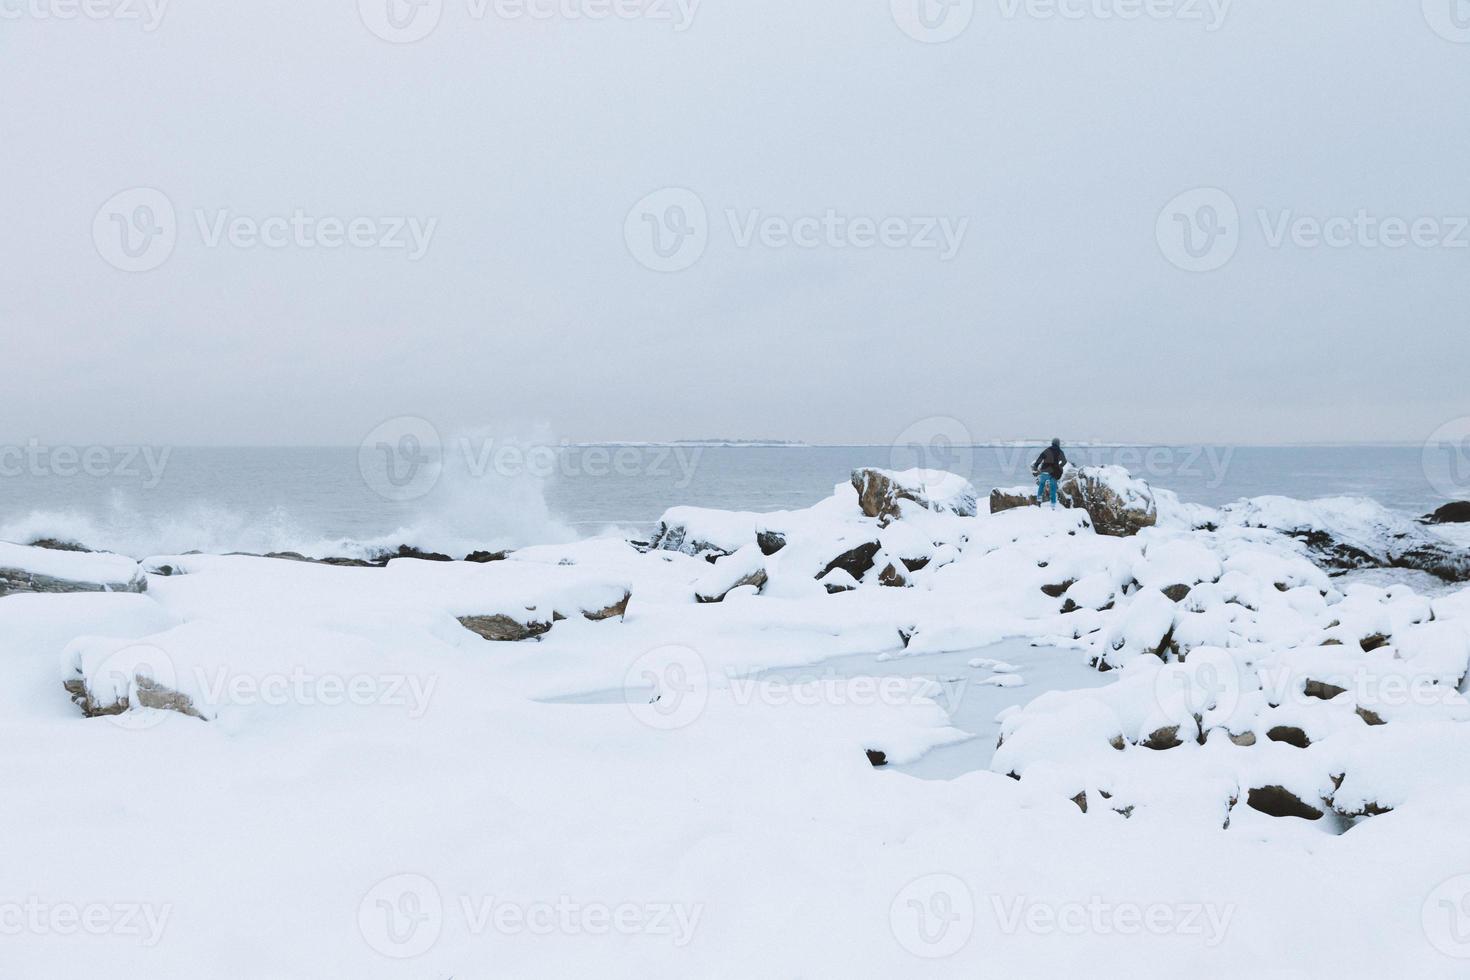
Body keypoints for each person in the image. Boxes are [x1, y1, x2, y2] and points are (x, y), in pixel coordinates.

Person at [1031, 438, 1066, 509]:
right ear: (1058, 444)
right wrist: (1060, 466)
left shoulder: (1047, 450)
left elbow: (1040, 458)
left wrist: (1036, 466)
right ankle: (1053, 505)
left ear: (1052, 443)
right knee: (1053, 489)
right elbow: (1064, 461)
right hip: (1053, 473)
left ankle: (1039, 501)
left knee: (1041, 485)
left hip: (1044, 471)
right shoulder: (1060, 451)